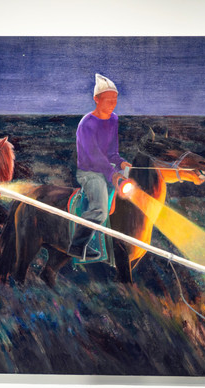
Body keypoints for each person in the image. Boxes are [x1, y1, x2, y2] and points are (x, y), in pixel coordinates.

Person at [69, 73, 131, 260]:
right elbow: (94, 155)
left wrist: (120, 162)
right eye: (108, 100)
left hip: (107, 168)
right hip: (89, 172)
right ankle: (78, 246)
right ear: (96, 99)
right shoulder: (86, 124)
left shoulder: (113, 120)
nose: (113, 104)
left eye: (115, 100)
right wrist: (113, 174)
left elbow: (112, 152)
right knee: (100, 210)